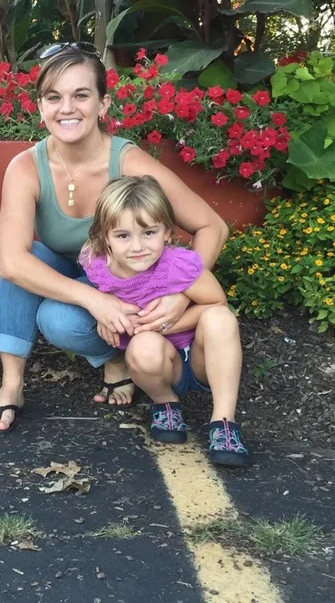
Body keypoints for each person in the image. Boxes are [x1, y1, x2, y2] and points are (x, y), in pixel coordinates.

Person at [0, 44, 233, 436]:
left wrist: (182, 294)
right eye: (54, 97)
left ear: (103, 104)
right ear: (40, 107)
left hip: (126, 281)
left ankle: (120, 358)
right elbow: (11, 262)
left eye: (81, 95)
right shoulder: (26, 166)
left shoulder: (126, 161)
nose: (67, 108)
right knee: (27, 263)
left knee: (56, 319)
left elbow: (212, 226)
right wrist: (95, 300)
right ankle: (13, 384)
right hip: (83, 279)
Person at [79, 176, 247, 466]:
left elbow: (216, 302)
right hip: (159, 363)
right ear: (105, 237)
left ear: (167, 232)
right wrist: (104, 315)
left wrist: (166, 324)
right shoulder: (97, 264)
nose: (137, 247)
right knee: (143, 346)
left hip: (201, 358)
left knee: (221, 319)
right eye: (123, 236)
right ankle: (166, 404)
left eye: (149, 233)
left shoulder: (177, 265)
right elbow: (105, 297)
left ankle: (224, 423)